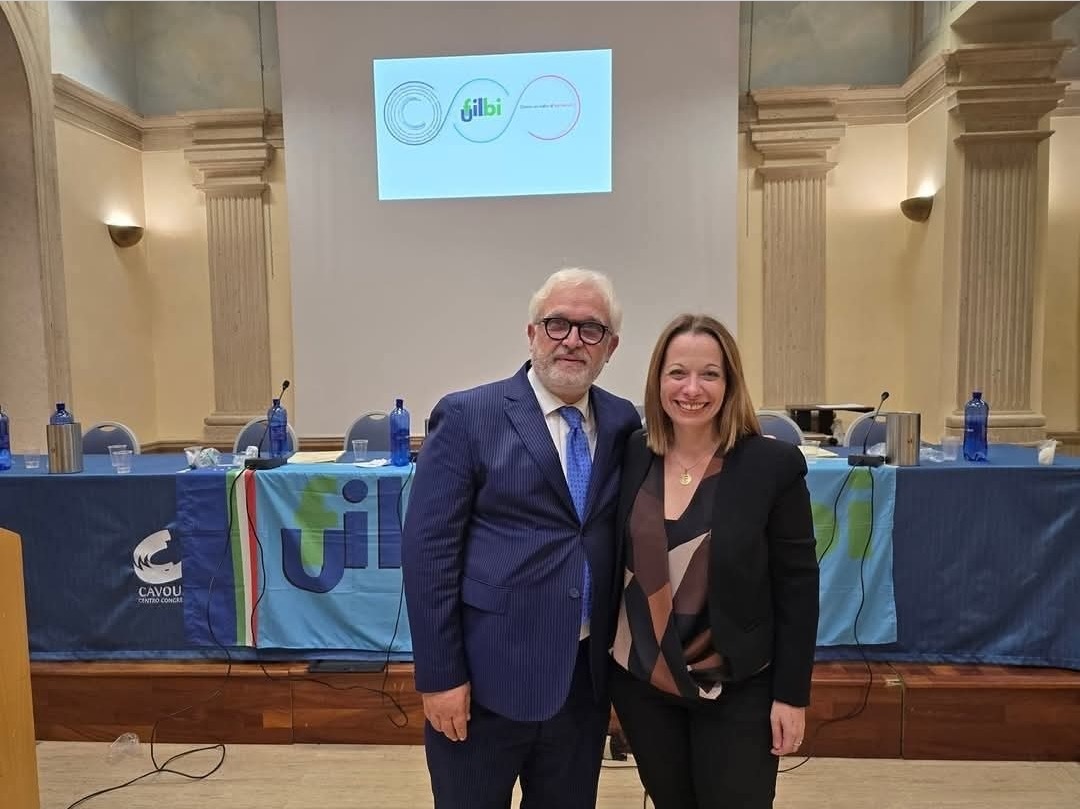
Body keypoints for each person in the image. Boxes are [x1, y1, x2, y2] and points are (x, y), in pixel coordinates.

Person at [401, 268, 642, 809]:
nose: (572, 340)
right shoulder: (468, 416)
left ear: (611, 347)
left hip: (582, 685)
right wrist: (440, 678)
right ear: (532, 333)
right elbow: (429, 555)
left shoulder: (623, 421)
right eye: (557, 324)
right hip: (484, 683)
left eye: (591, 329)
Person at [609, 313, 819, 809]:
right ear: (657, 380)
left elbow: (797, 586)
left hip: (738, 684)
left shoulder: (771, 466)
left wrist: (791, 695)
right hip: (644, 684)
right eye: (677, 373)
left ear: (730, 383)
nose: (692, 389)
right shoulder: (630, 453)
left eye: (709, 374)